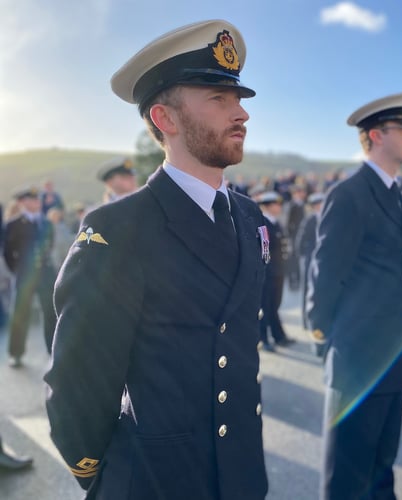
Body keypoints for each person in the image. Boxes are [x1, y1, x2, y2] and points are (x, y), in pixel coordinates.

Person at [44, 20, 268, 499]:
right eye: (218, 98)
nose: (241, 113)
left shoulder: (249, 216)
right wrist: (98, 474)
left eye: (240, 99)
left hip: (244, 474)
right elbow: (77, 381)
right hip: (157, 481)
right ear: (165, 120)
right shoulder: (117, 229)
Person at [307, 92, 402, 499]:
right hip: (359, 359)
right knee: (349, 475)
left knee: (380, 466)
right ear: (376, 135)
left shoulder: (393, 192)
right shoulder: (350, 193)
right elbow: (325, 276)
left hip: (392, 356)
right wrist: (326, 339)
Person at [3, 186, 56, 366]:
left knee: (51, 314)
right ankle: (16, 353)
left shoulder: (46, 223)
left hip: (46, 276)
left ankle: (54, 351)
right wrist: (18, 271)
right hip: (24, 276)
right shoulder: (13, 224)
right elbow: (8, 253)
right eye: (32, 199)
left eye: (37, 199)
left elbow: (49, 246)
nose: (36, 202)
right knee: (20, 315)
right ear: (22, 202)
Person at [258, 191, 294, 351]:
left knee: (274, 305)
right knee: (265, 306)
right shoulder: (263, 224)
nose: (279, 207)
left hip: (278, 271)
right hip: (268, 272)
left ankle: (278, 336)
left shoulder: (276, 223)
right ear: (267, 206)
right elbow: (264, 250)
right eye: (275, 204)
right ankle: (263, 339)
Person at [296, 192, 324, 332]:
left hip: (323, 258)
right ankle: (306, 320)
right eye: (317, 204)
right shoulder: (309, 220)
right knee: (307, 289)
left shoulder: (327, 217)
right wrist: (305, 254)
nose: (320, 206)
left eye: (321, 203)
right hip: (310, 258)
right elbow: (300, 241)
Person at [286, 185, 306, 290]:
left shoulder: (301, 205)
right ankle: (291, 281)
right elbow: (288, 222)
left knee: (297, 259)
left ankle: (298, 280)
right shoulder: (292, 205)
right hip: (293, 236)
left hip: (300, 234)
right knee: (291, 259)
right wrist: (289, 237)